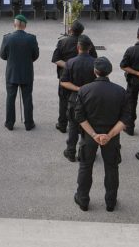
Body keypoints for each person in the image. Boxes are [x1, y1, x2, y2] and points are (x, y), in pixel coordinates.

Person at [73, 57, 129, 212]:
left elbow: (79, 116)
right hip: (112, 135)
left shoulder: (85, 90)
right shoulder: (120, 91)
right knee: (111, 168)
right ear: (109, 72)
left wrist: (94, 135)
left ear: (95, 71)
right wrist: (109, 135)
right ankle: (110, 202)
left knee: (85, 167)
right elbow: (126, 118)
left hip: (89, 135)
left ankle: (83, 199)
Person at [51, 20, 97, 133]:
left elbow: (56, 59)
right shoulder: (87, 42)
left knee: (63, 101)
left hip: (65, 77)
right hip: (85, 77)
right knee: (83, 102)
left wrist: (69, 65)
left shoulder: (62, 42)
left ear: (70, 30)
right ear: (82, 31)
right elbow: (95, 59)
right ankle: (82, 126)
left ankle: (62, 124)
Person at [60, 35, 96, 162]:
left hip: (75, 98)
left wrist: (78, 88)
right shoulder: (95, 63)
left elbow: (63, 82)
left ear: (78, 47)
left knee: (73, 126)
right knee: (88, 126)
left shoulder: (70, 62)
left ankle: (70, 152)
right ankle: (83, 153)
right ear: (90, 48)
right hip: (91, 99)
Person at [0, 14, 39, 131]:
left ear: (14, 24)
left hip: (12, 73)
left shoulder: (7, 38)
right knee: (27, 98)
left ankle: (9, 123)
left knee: (10, 98)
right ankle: (29, 123)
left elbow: (3, 55)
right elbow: (35, 55)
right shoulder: (31, 38)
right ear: (25, 25)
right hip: (26, 72)